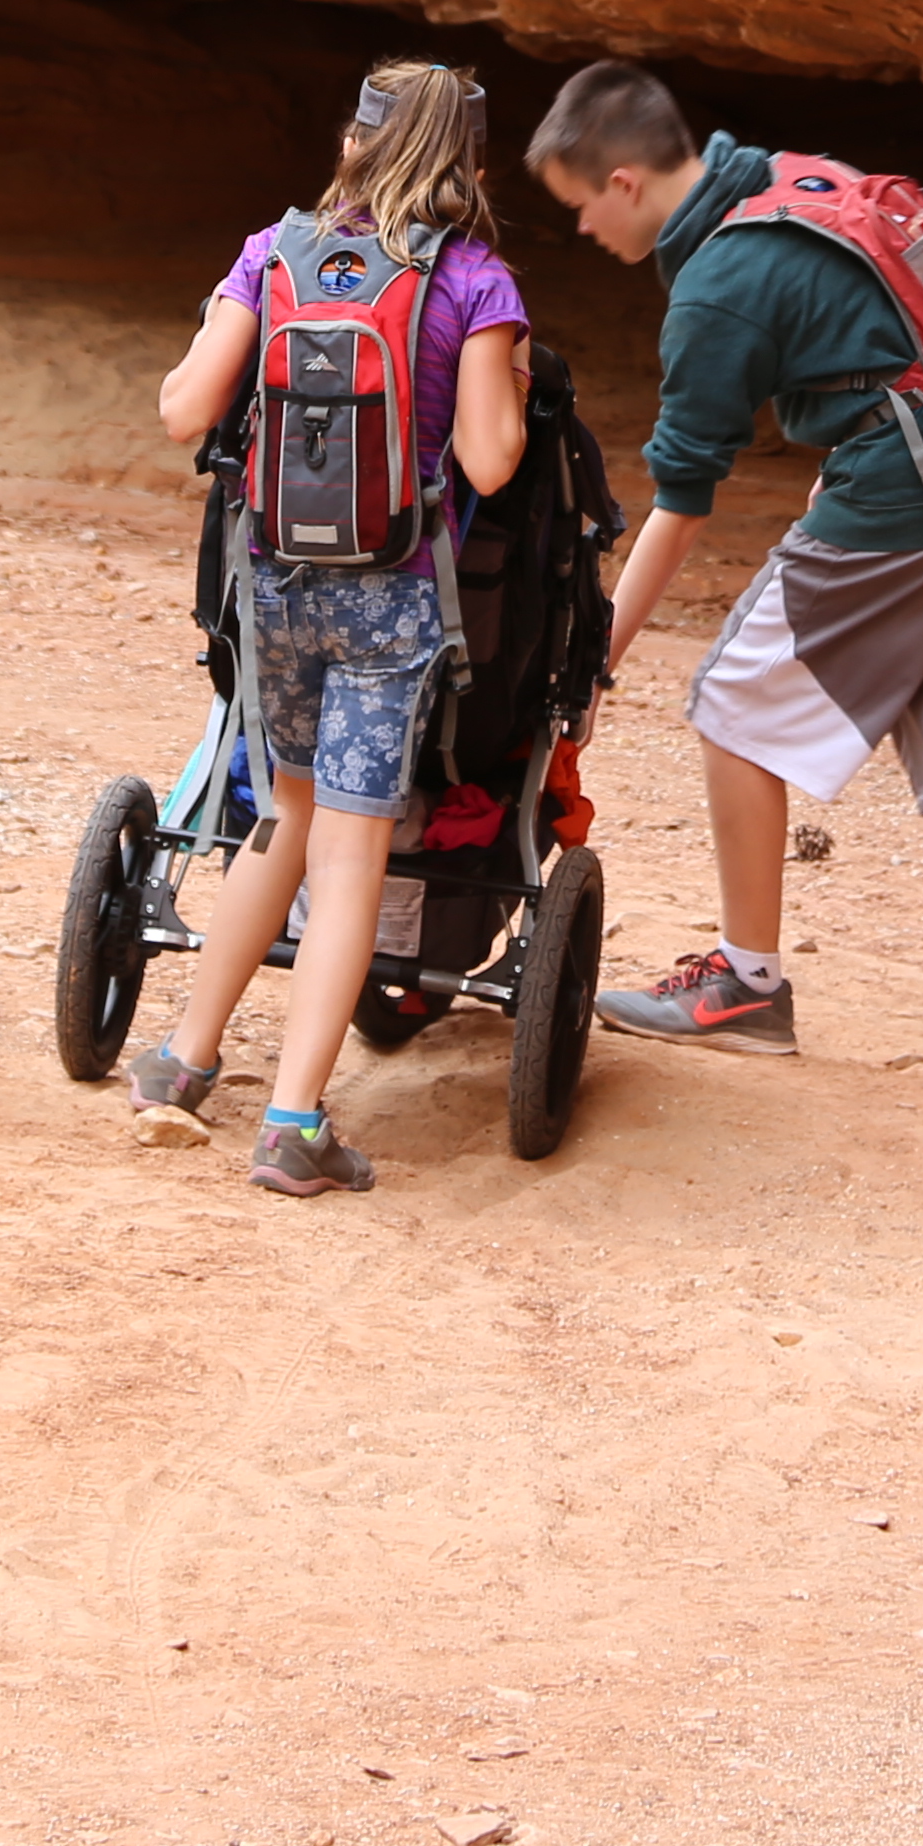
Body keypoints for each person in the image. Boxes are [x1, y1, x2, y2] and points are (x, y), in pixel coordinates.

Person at [527, 59, 923, 1106]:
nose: (586, 234)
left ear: (627, 183)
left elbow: (683, 501)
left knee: (736, 707)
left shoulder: (715, 292)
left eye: (582, 208)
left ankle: (744, 985)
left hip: (915, 493)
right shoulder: (798, 178)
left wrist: (595, 654)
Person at [131, 60, 534, 1197]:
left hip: (275, 582)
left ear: (350, 147)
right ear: (474, 168)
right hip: (392, 596)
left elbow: (182, 413)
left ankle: (181, 1061)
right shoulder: (475, 281)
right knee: (352, 848)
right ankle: (295, 1121)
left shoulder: (275, 251)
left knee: (284, 815)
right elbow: (495, 461)